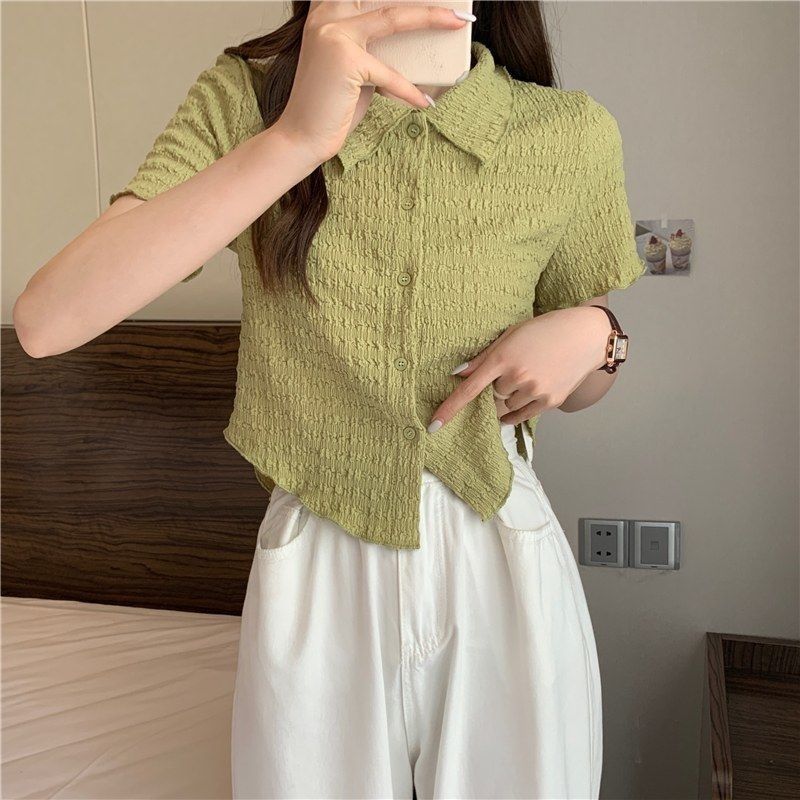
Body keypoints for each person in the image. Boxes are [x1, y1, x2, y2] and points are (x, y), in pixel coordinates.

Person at [13, 2, 646, 797]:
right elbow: (47, 321)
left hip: (500, 546)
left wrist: (597, 334)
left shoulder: (569, 132)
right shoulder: (248, 99)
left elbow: (582, 383)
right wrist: (297, 139)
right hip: (318, 548)